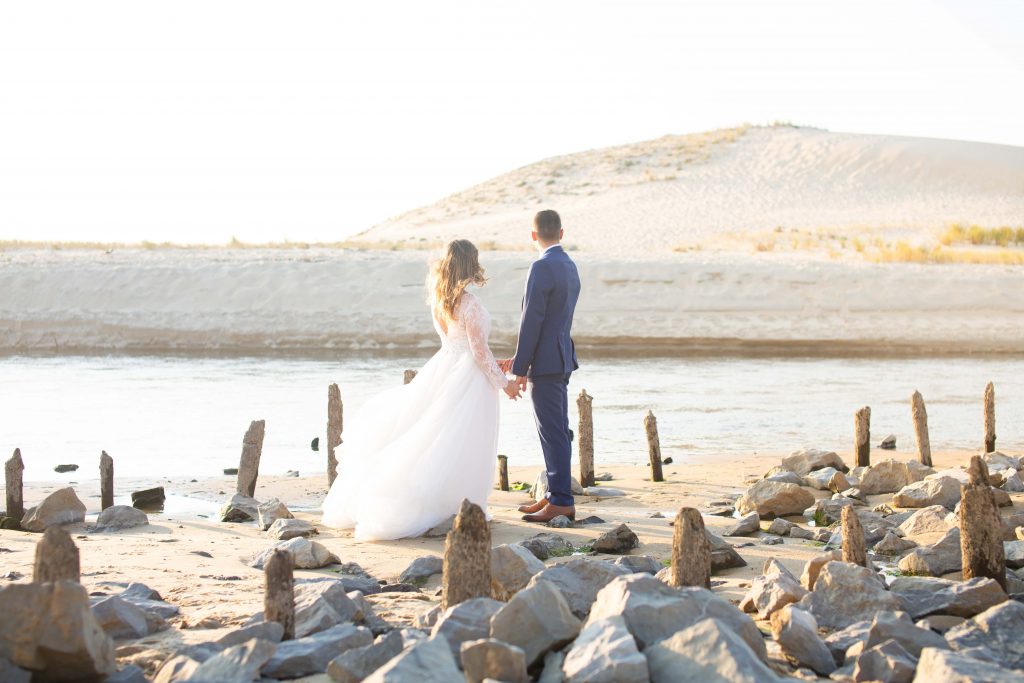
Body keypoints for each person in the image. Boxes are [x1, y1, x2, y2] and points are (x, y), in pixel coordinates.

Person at [320, 239, 519, 540]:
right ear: (470, 264)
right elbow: (477, 353)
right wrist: (506, 384)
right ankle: (455, 505)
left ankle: (452, 503)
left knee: (438, 438)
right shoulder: (470, 304)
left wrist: (497, 362)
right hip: (467, 379)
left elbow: (463, 345)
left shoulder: (441, 300)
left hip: (445, 368)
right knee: (461, 441)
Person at [499, 209, 582, 523]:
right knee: (556, 430)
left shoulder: (541, 266)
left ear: (533, 235)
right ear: (561, 233)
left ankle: (561, 499)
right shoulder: (569, 266)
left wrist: (519, 369)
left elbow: (531, 320)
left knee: (552, 432)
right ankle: (553, 494)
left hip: (545, 363)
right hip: (561, 358)